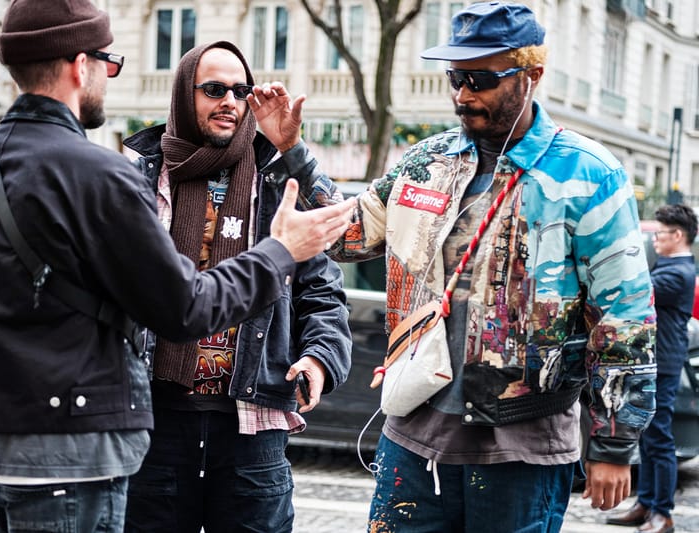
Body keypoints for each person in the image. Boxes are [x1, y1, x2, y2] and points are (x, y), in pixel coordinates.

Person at [0, 1, 355, 532]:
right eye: (107, 63)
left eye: (241, 91)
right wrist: (279, 250)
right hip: (95, 443)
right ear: (80, 64)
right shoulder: (114, 175)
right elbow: (184, 306)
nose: (231, 102)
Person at [249, 2, 657, 531]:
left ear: (531, 75)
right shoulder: (428, 161)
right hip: (413, 437)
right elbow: (349, 234)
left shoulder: (589, 173)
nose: (463, 94)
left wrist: (615, 443)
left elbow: (623, 316)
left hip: (522, 447)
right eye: (455, 77)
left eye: (481, 79)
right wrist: (292, 150)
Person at [120, 40, 352, 533]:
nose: (230, 100)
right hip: (154, 421)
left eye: (240, 90)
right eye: (214, 89)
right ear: (186, 95)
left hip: (252, 427)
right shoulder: (139, 179)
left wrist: (319, 356)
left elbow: (325, 284)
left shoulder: (274, 181)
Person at [606, 204, 697, 533]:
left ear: (677, 235)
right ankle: (645, 503)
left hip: (664, 364)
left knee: (659, 439)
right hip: (653, 361)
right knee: (645, 435)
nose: (655, 238)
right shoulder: (672, 266)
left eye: (660, 232)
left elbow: (635, 293)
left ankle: (663, 513)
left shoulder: (678, 272)